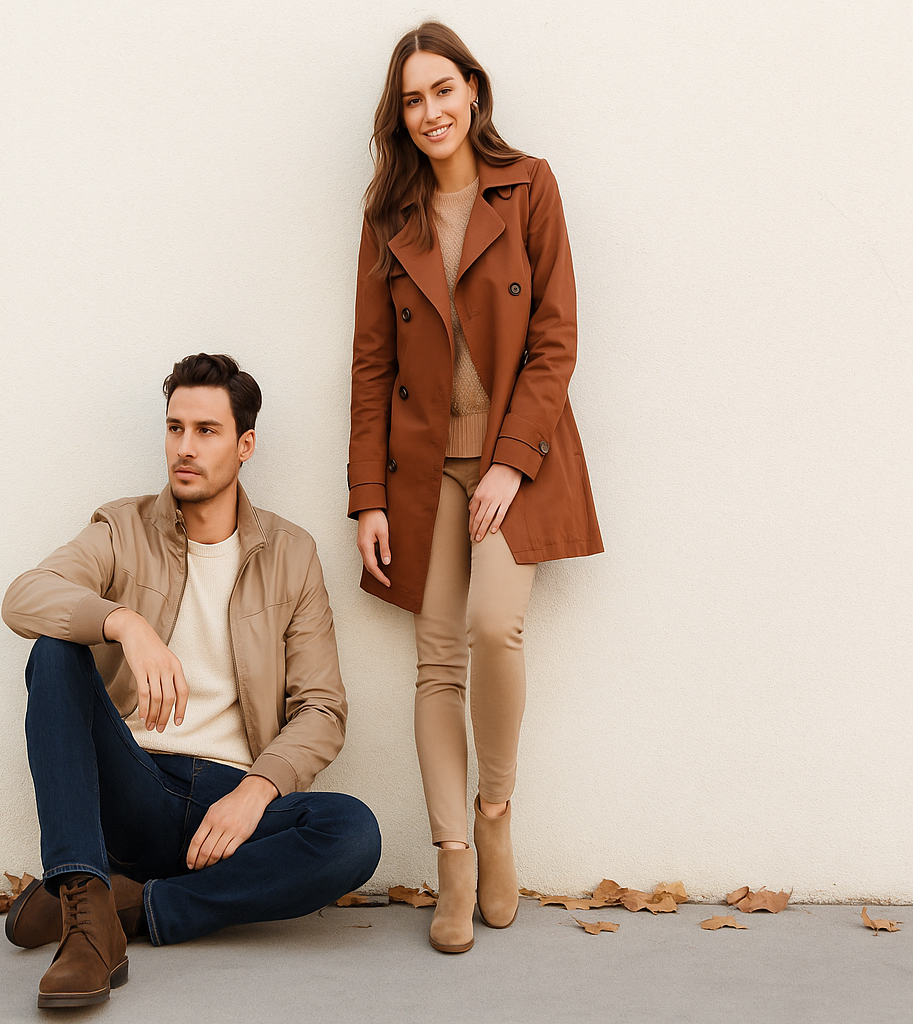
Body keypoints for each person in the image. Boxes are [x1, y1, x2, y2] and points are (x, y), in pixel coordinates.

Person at [2, 353, 380, 1008]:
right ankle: (87, 921)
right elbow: (25, 596)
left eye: (206, 431)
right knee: (55, 653)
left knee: (352, 832)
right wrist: (125, 623)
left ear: (245, 445)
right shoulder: (121, 528)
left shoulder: (291, 554)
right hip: (136, 785)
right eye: (175, 428)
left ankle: (129, 909)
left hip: (229, 802)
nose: (185, 447)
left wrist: (257, 790)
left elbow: (321, 708)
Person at [347, 22, 603, 954]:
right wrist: (368, 497)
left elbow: (555, 337)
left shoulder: (528, 185)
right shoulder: (389, 216)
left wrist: (509, 460)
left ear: (474, 92)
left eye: (443, 91)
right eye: (413, 100)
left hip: (512, 461)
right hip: (420, 469)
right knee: (435, 658)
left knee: (495, 626)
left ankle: (495, 812)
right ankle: (453, 856)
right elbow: (372, 364)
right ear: (401, 116)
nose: (431, 112)